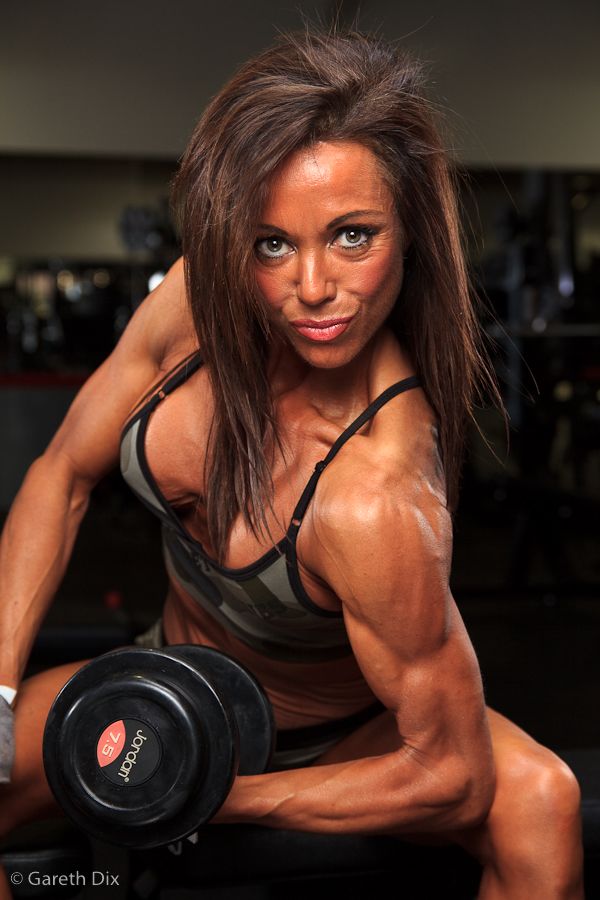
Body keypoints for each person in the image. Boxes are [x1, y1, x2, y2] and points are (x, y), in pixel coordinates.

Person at [0, 27, 584, 899]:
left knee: (541, 804)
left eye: (353, 236)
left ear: (412, 231)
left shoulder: (376, 493)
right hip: (172, 670)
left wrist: (218, 795)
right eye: (273, 244)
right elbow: (62, 475)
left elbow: (449, 771)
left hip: (350, 732)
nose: (312, 287)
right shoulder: (197, 303)